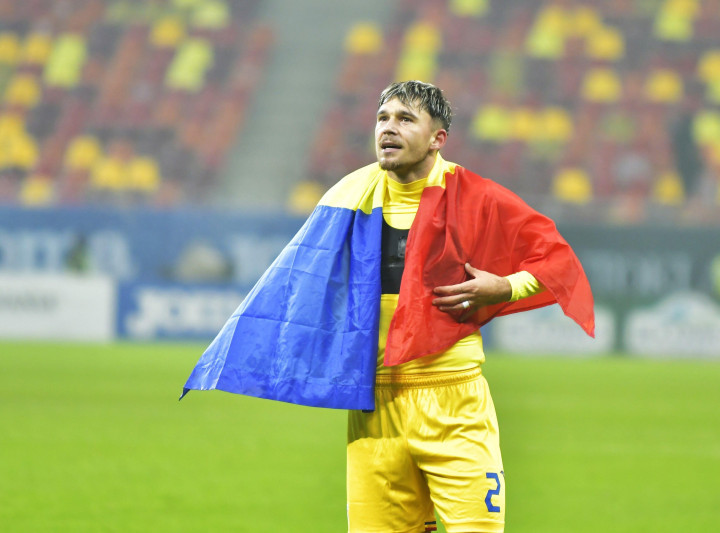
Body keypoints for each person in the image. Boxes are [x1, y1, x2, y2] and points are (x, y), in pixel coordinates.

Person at [182, 81, 594, 533]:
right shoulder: (347, 196)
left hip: (452, 402)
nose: (388, 128)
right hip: (373, 405)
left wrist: (506, 287)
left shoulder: (476, 196)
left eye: (405, 119)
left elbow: (557, 260)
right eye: (383, 118)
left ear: (438, 138)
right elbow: (297, 285)